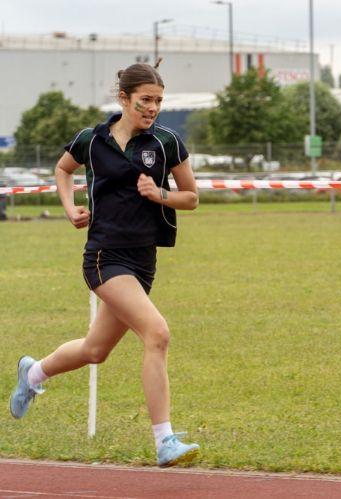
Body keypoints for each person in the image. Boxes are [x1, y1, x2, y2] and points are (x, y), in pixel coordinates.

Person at [9, 61, 200, 468]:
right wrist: (69, 208)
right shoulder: (92, 140)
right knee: (157, 333)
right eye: (145, 100)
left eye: (159, 101)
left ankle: (33, 374)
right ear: (124, 99)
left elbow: (191, 197)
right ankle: (164, 440)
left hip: (143, 260)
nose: (153, 108)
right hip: (103, 257)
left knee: (95, 350)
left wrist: (160, 195)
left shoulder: (166, 142)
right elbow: (63, 169)